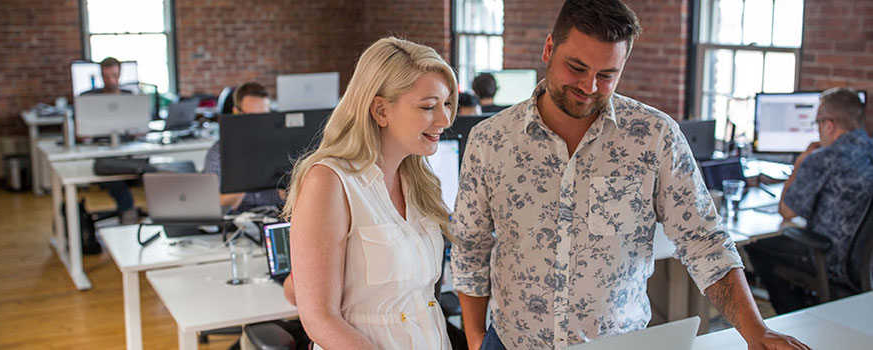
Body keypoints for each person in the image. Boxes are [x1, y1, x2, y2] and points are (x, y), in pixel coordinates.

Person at [449, 1, 809, 349]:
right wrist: (476, 338)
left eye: (606, 75)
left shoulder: (654, 137)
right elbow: (471, 248)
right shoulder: (490, 140)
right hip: (513, 342)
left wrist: (755, 330)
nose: (589, 87)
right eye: (576, 68)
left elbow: (704, 240)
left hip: (620, 343)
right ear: (548, 49)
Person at [283, 37, 458, 349]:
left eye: (446, 104)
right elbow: (319, 318)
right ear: (380, 110)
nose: (445, 119)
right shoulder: (329, 182)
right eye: (429, 106)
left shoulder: (419, 180)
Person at [747, 87, 873, 314]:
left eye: (817, 123)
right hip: (864, 265)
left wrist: (800, 164)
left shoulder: (823, 158)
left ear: (830, 124)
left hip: (829, 259)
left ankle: (795, 314)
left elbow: (786, 210)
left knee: (756, 247)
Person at [203, 82, 285, 213]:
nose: (259, 123)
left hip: (276, 218)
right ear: (237, 113)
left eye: (264, 116)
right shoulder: (219, 153)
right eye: (252, 116)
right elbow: (218, 205)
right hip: (237, 224)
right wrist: (246, 174)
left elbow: (284, 197)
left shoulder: (280, 146)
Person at [81, 57, 138, 223]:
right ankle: (128, 210)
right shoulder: (89, 98)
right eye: (107, 77)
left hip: (130, 148)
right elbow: (81, 132)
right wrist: (84, 133)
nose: (111, 80)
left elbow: (140, 125)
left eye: (114, 75)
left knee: (154, 167)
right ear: (101, 76)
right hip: (102, 149)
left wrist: (139, 130)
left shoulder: (130, 96)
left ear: (120, 74)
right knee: (113, 170)